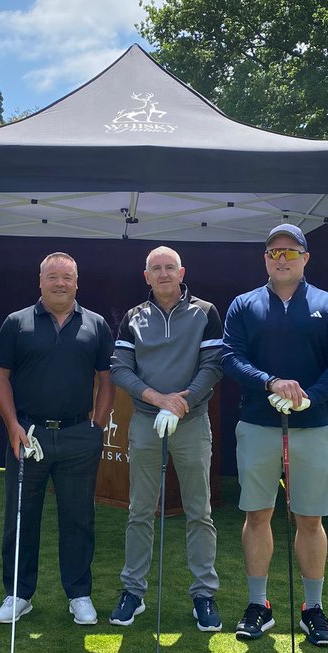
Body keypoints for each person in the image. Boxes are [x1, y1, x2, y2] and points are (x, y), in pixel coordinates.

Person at [222, 224, 328, 647]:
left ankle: (312, 608)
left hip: (312, 426)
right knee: (257, 514)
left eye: (291, 252)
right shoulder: (244, 305)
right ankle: (258, 605)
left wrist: (308, 398)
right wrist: (270, 382)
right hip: (259, 424)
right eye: (274, 251)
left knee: (310, 518)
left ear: (305, 259)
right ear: (265, 259)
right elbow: (230, 358)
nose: (282, 258)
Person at [0, 252, 114, 626]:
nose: (60, 283)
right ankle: (18, 593)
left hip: (79, 435)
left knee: (78, 518)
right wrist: (12, 425)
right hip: (28, 434)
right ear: (39, 280)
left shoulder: (96, 324)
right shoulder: (17, 323)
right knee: (21, 517)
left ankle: (79, 594)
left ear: (77, 282)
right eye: (53, 276)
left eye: (67, 277)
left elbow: (107, 378)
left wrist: (100, 423)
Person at [109, 246, 224, 632]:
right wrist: (159, 400)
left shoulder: (205, 312)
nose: (162, 274)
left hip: (191, 422)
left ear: (181, 272)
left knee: (199, 510)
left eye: (169, 268)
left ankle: (204, 594)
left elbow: (212, 366)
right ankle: (133, 592)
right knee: (139, 510)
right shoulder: (132, 318)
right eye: (155, 268)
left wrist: (182, 403)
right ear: (146, 276)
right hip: (145, 421)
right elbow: (121, 369)